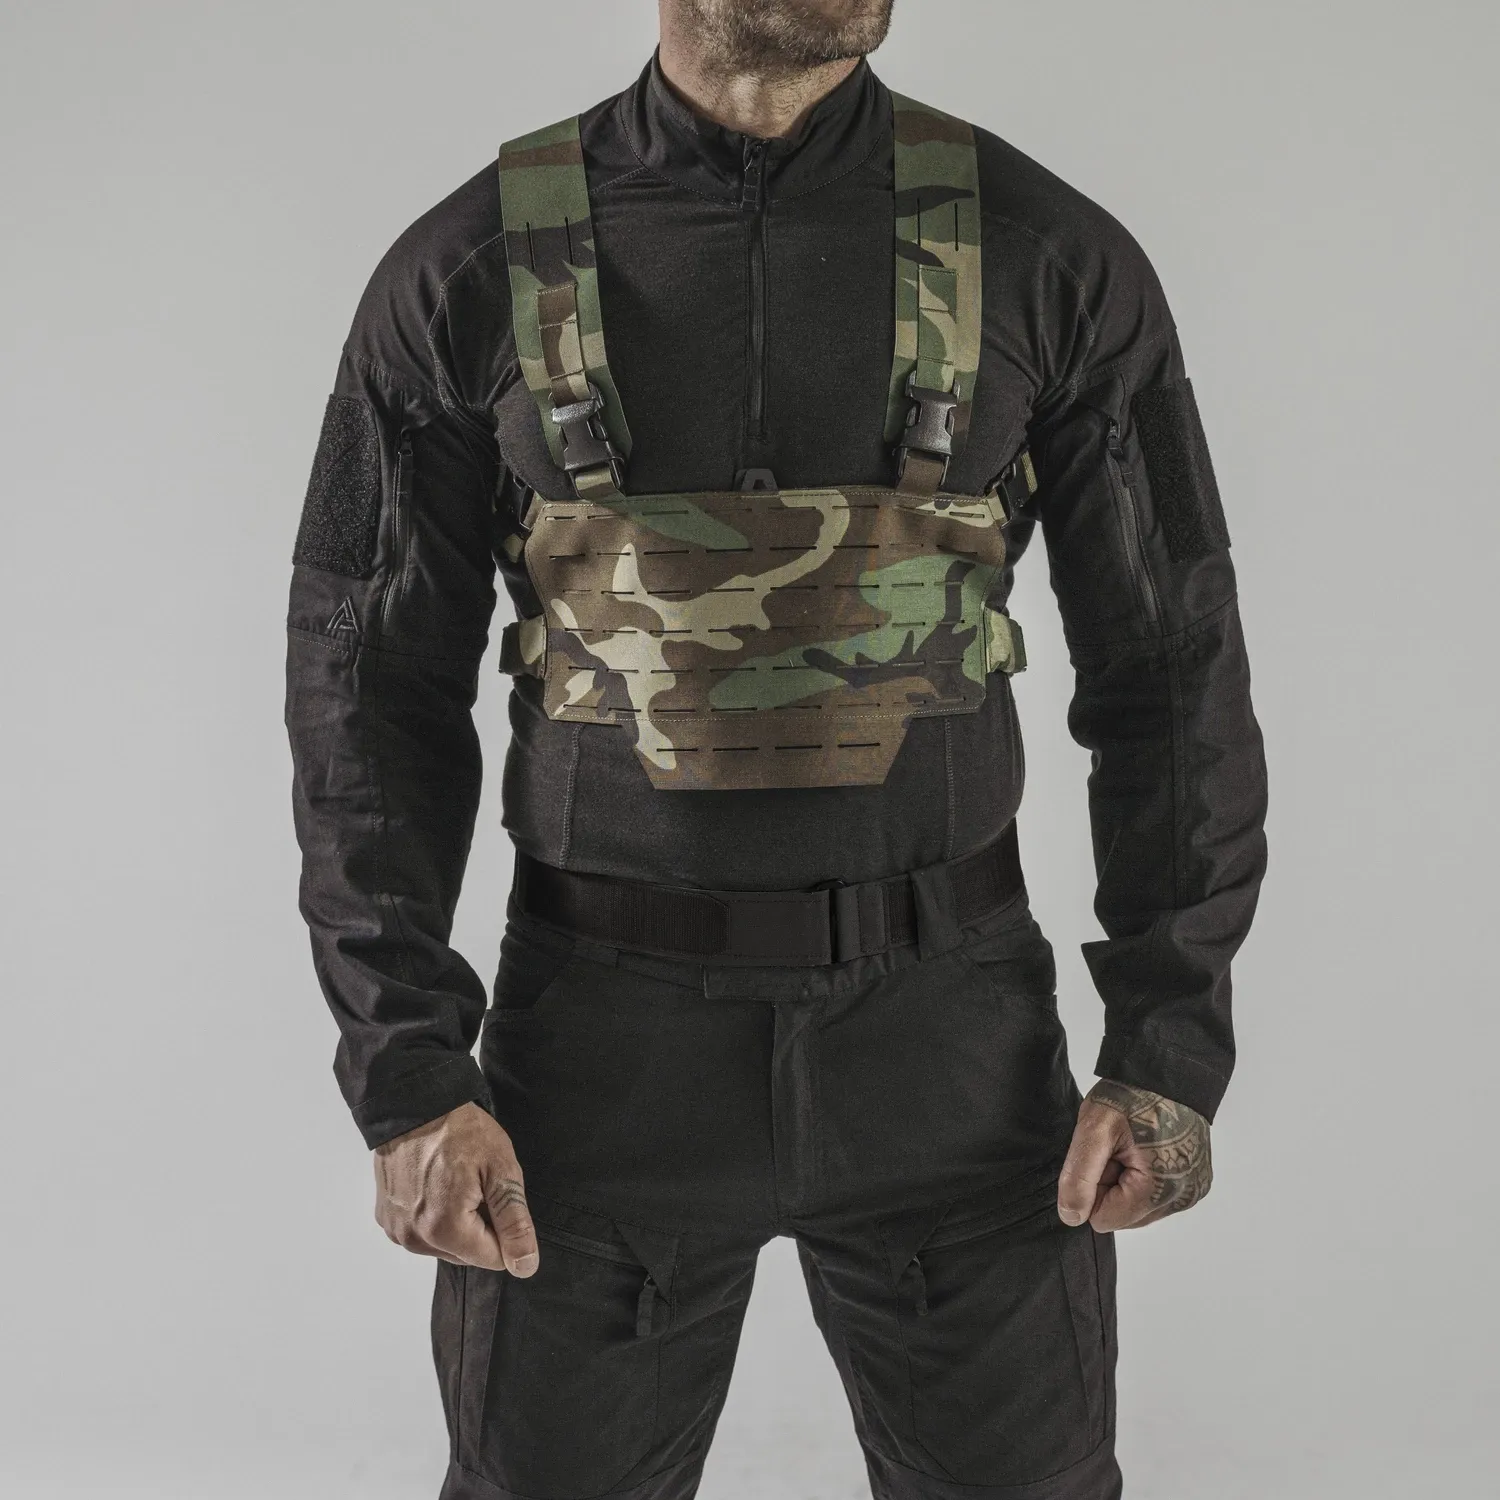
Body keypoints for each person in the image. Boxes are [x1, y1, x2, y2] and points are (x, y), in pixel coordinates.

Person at [285, 2, 1268, 1496]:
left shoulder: (1051, 256)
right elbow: (364, 697)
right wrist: (408, 1073)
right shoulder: (464, 270)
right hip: (593, 1072)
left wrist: (1170, 1049)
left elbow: (1174, 670)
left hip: (954, 1057)